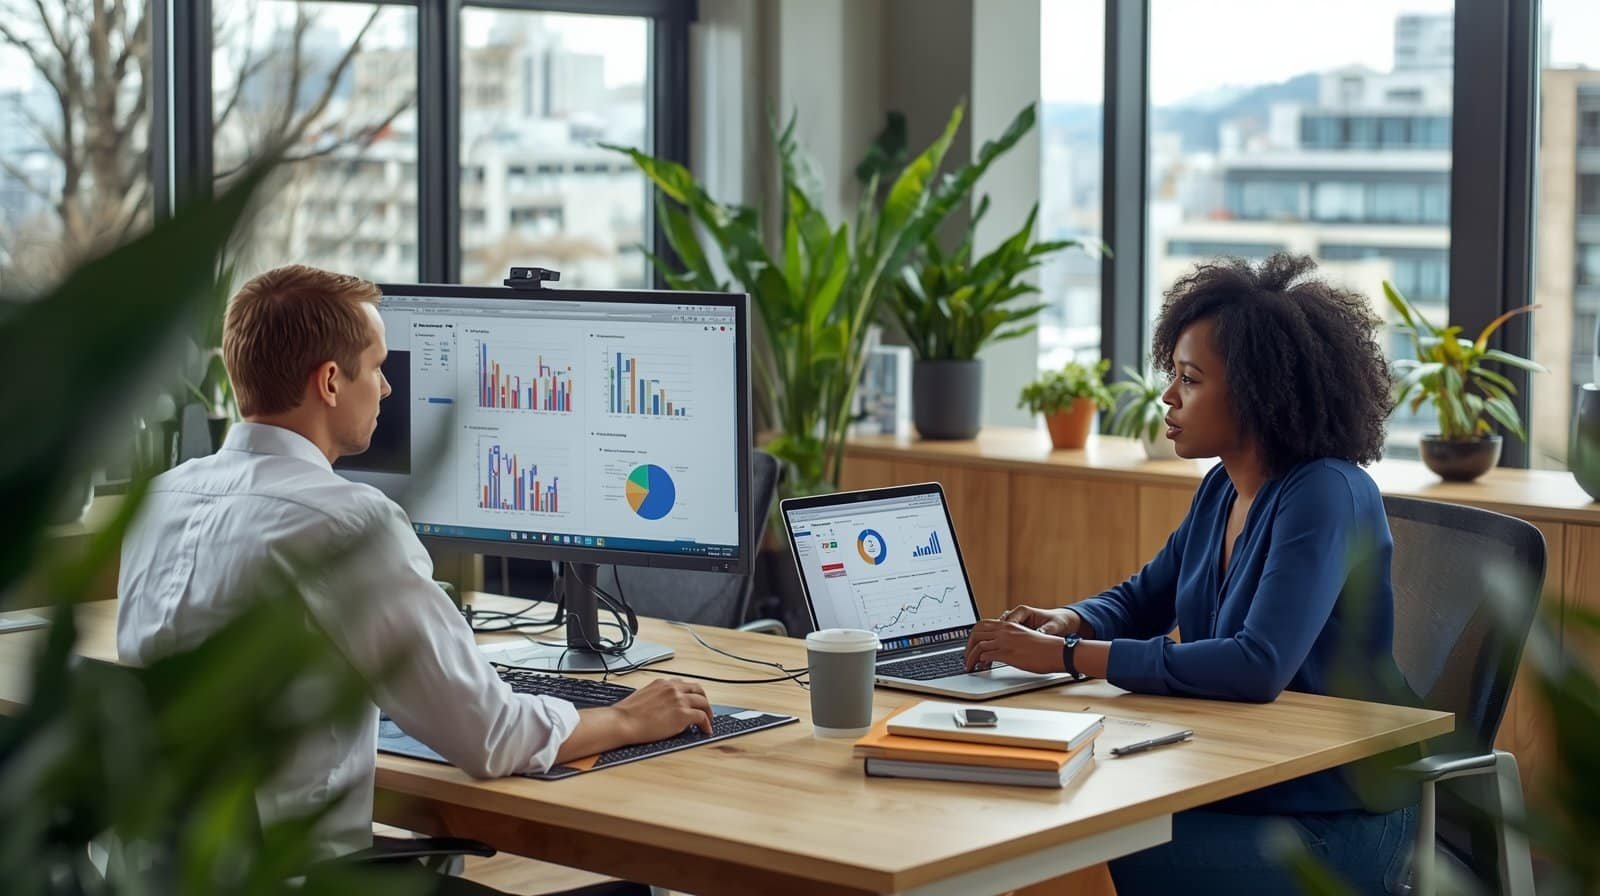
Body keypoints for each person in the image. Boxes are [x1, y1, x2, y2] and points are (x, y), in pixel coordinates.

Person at [118, 264, 707, 894]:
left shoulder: (157, 499)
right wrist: (625, 719)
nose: (390, 388)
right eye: (377, 367)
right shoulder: (346, 524)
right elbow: (491, 736)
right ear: (331, 383)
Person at [963, 254, 1415, 894]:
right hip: (1246, 785)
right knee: (1037, 831)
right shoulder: (1220, 489)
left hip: (1332, 820)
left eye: (1191, 379)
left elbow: (1255, 666)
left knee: (1061, 859)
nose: (1168, 397)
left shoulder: (1327, 494)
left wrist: (1065, 655)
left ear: (1259, 391)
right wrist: (1072, 618)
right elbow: (1145, 597)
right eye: (1172, 375)